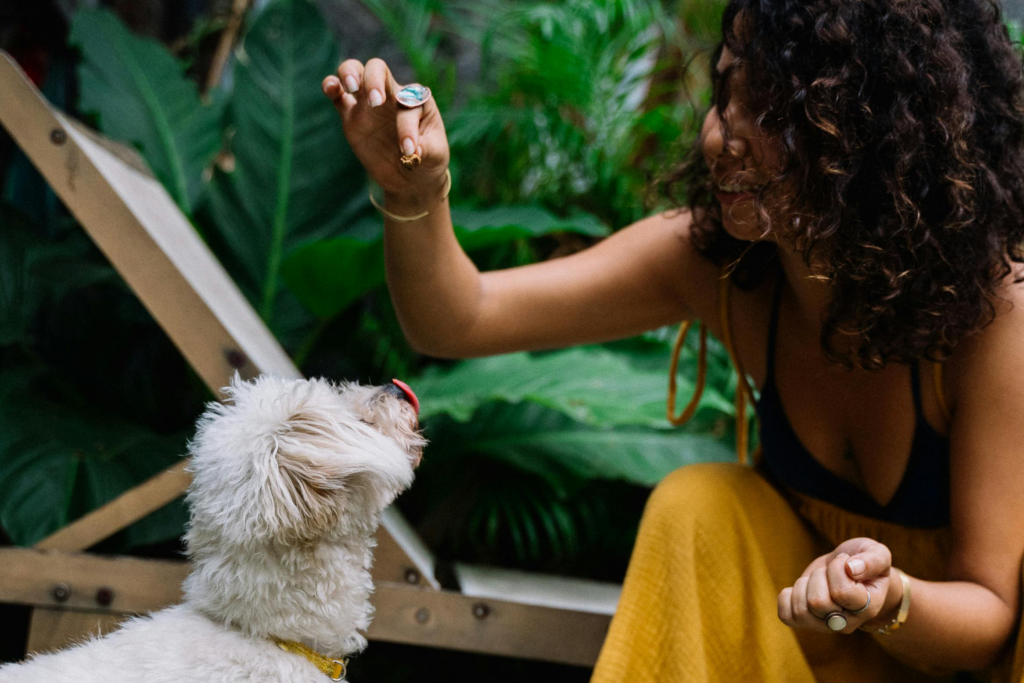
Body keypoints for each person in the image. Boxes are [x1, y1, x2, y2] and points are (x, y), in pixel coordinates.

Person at [320, 0, 1024, 678]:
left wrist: (889, 596)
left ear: (880, 134)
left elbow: (990, 612)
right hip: (815, 653)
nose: (722, 137)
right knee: (702, 506)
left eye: (775, 111)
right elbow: (460, 317)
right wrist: (416, 194)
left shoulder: (994, 313)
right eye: (725, 94)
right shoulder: (721, 267)